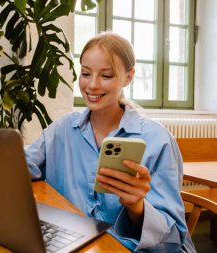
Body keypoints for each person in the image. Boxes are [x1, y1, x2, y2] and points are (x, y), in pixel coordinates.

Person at [25, 31, 196, 252]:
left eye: (106, 76)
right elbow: (22, 167)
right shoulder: (63, 129)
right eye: (86, 73)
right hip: (76, 244)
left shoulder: (158, 140)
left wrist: (137, 207)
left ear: (128, 76)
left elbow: (172, 241)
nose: (92, 85)